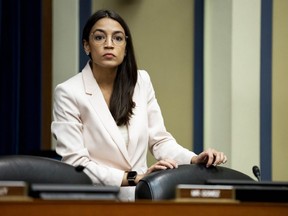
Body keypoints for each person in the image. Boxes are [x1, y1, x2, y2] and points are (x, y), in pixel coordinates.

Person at [51, 9, 227, 201]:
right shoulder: (68, 92)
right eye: (100, 37)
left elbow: (159, 140)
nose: (109, 44)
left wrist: (195, 159)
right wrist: (134, 178)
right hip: (96, 201)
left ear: (125, 48)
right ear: (87, 46)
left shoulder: (141, 82)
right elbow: (76, 163)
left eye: (118, 38)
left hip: (140, 200)